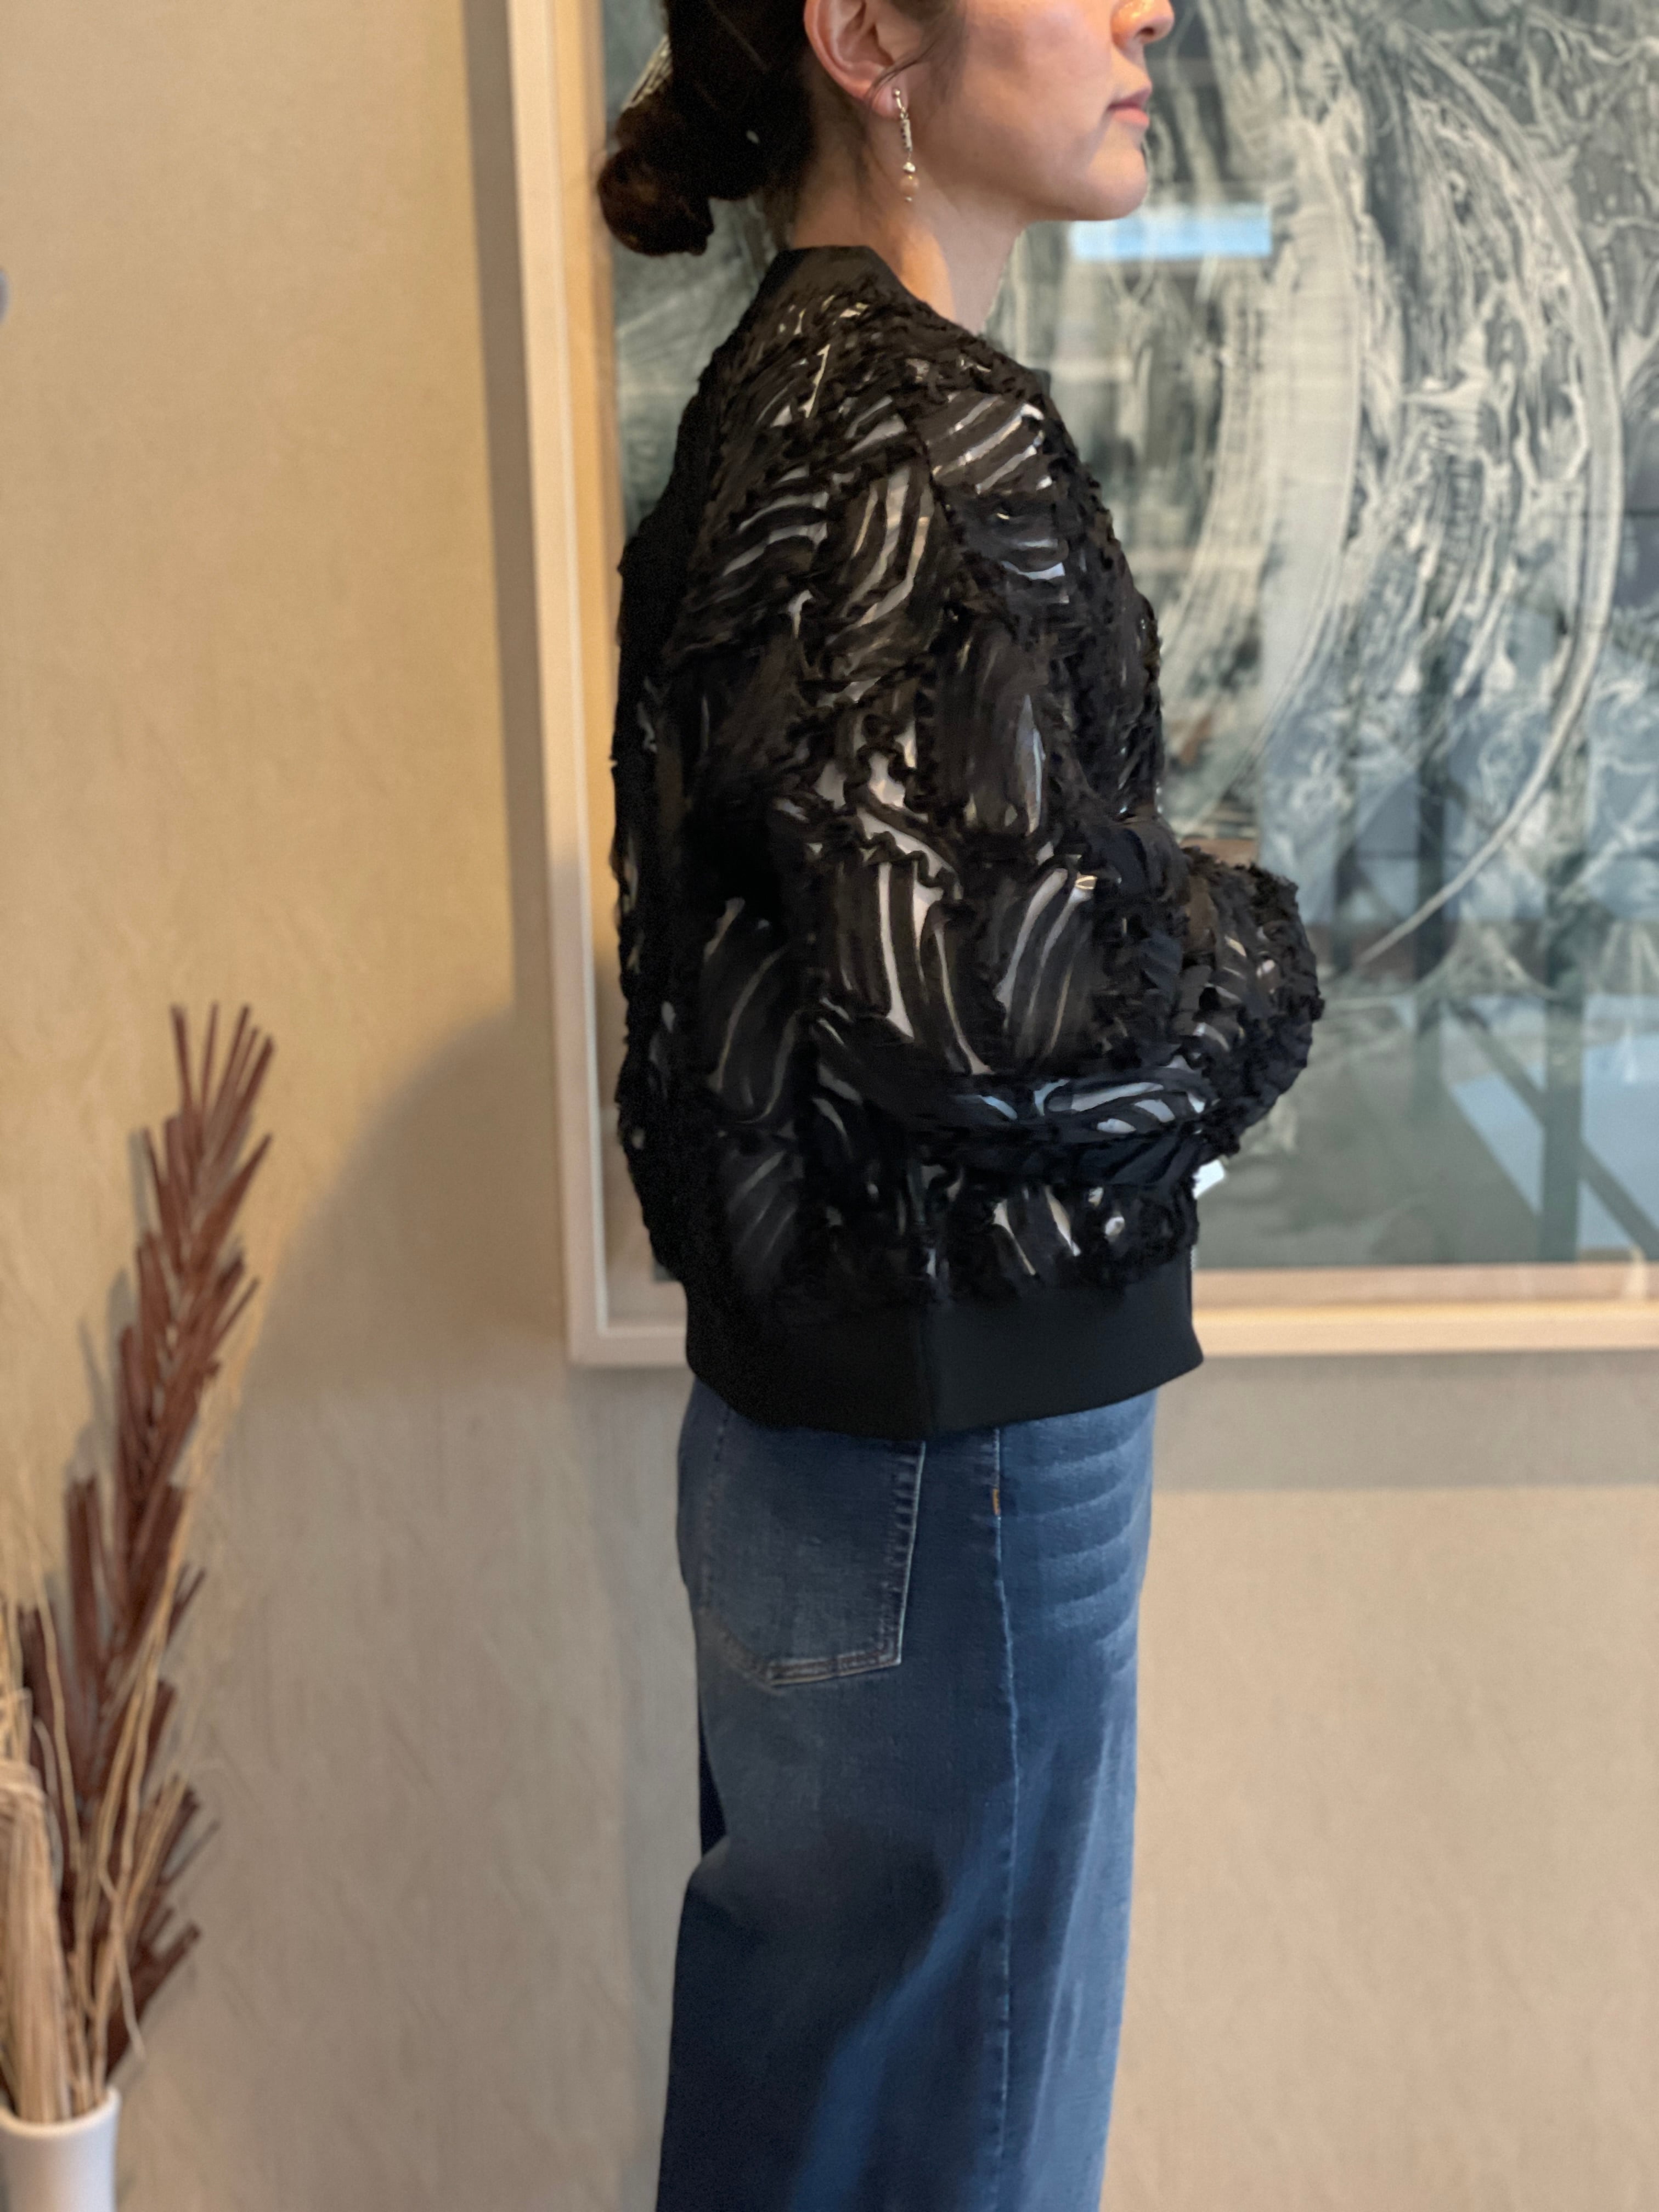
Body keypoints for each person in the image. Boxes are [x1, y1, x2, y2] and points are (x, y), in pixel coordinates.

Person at [596, 0, 1322, 2199]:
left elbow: (891, 961)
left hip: (834, 1442)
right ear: (865, 37)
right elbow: (994, 1024)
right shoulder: (920, 431)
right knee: (960, 2146)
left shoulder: (788, 392)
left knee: (824, 2116)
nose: (1143, 9)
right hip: (960, 1454)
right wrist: (1254, 947)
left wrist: (1128, 900)